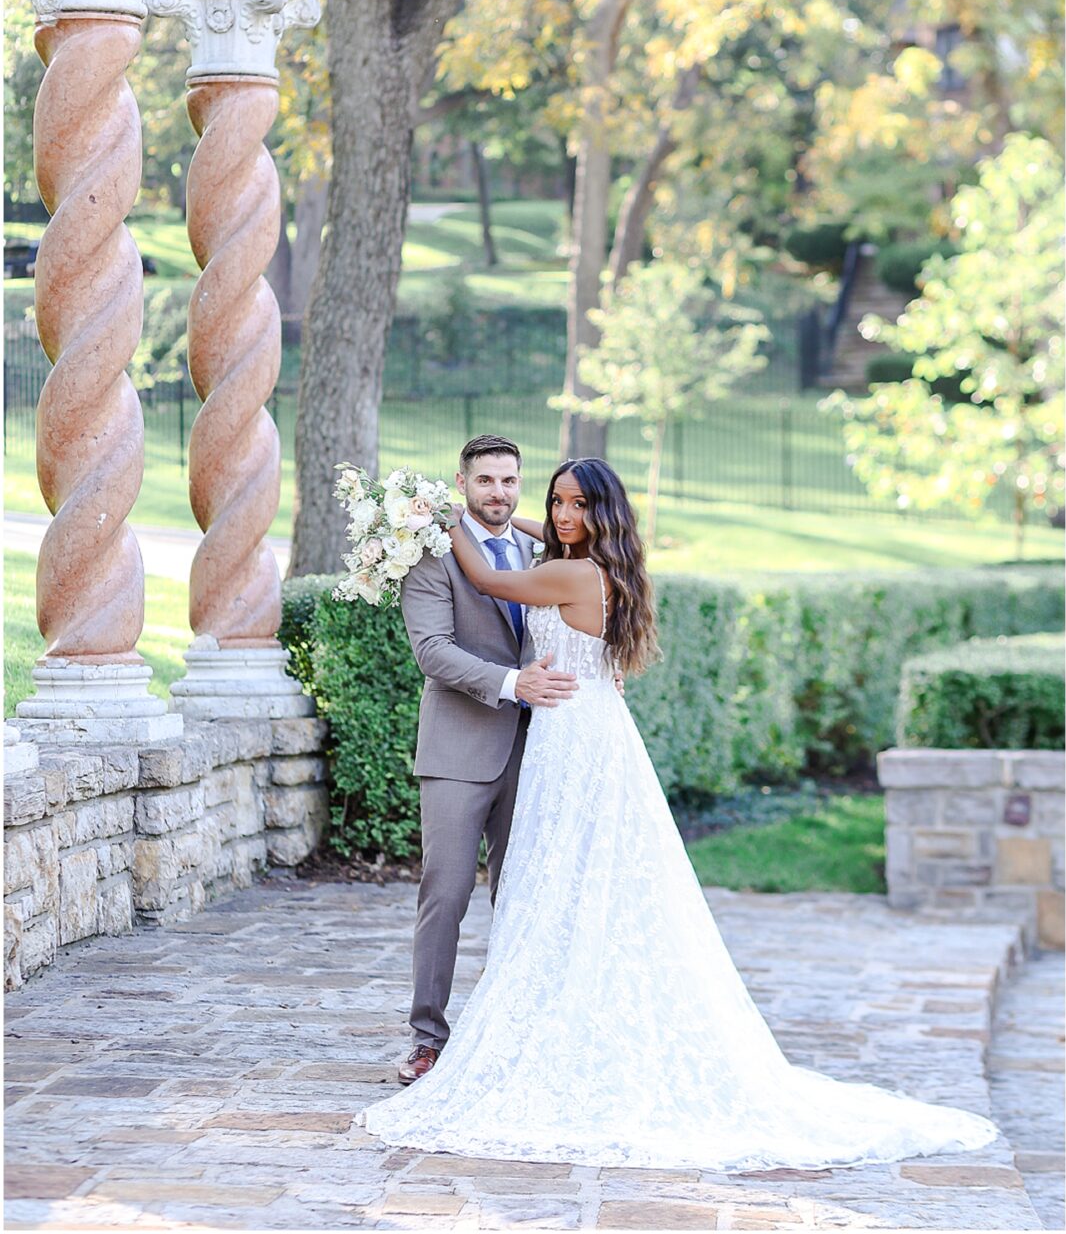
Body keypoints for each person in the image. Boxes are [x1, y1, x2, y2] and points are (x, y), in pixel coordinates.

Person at [360, 456, 998, 1172]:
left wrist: (442, 517)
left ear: (602, 515)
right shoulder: (608, 566)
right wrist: (531, 520)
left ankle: (543, 1024)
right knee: (565, 885)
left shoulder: (571, 575)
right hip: (587, 734)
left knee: (556, 883)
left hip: (569, 737)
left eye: (576, 506)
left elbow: (485, 578)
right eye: (556, 503)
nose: (562, 517)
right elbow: (527, 556)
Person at [393, 434, 579, 1086]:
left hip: (537, 751)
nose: (497, 493)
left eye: (508, 481)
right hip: (457, 750)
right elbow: (432, 651)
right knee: (444, 895)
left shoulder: (538, 550)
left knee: (522, 895)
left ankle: (513, 1036)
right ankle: (426, 1040)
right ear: (461, 483)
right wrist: (509, 684)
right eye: (485, 482)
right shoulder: (431, 555)